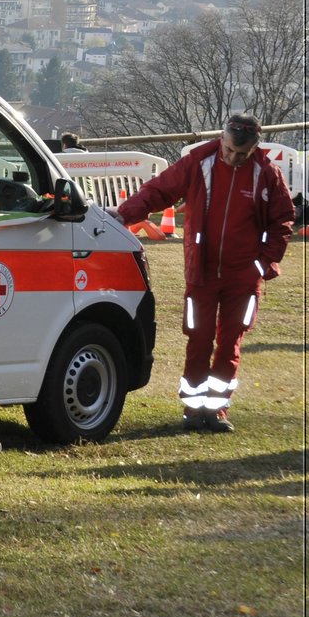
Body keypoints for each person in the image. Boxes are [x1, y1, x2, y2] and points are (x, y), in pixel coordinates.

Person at [112, 114, 294, 432]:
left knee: (230, 342)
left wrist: (264, 264)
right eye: (228, 151)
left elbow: (283, 220)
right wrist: (124, 215)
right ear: (222, 139)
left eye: (241, 154)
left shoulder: (266, 173)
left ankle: (218, 408)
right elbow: (158, 191)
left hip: (244, 276)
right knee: (198, 339)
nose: (233, 158)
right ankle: (193, 409)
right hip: (202, 273)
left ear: (254, 149)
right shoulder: (198, 163)